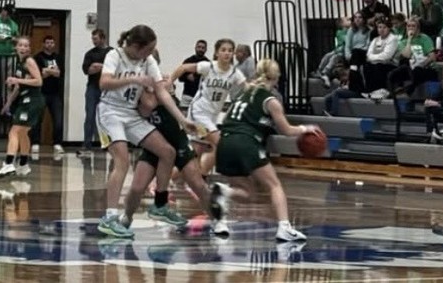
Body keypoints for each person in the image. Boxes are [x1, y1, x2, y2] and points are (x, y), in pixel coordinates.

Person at [95, 25, 190, 238]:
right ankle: (110, 217)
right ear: (137, 46)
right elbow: (104, 83)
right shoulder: (115, 55)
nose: (151, 53)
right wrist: (134, 79)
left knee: (168, 152)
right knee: (122, 161)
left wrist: (182, 119)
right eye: (148, 49)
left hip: (130, 114)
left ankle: (160, 205)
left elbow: (161, 92)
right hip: (110, 112)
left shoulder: (147, 61)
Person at [209, 59, 316, 241]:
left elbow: (227, 119)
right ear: (276, 77)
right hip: (246, 142)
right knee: (274, 185)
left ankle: (222, 201)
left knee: (246, 192)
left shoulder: (242, 95)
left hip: (225, 142)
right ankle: (284, 227)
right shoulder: (270, 100)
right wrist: (306, 128)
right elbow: (287, 130)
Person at [122, 75, 213, 236]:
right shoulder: (144, 97)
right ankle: (126, 217)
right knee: (136, 188)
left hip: (178, 144)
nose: (163, 80)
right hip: (154, 146)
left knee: (198, 184)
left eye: (166, 79)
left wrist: (156, 86)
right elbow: (146, 108)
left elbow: (159, 94)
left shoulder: (167, 98)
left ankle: (215, 219)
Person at [169, 39, 246, 177]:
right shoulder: (208, 66)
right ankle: (202, 175)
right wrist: (169, 81)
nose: (227, 53)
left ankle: (165, 180)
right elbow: (184, 68)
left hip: (212, 117)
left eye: (230, 50)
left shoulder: (235, 73)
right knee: (220, 143)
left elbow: (248, 87)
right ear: (217, 52)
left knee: (194, 154)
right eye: (223, 50)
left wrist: (260, 89)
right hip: (198, 113)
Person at [0, 36, 44, 179]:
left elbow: (39, 81)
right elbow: (19, 87)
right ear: (16, 47)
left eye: (26, 46)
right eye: (20, 45)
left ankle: (8, 163)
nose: (23, 48)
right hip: (25, 100)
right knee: (22, 133)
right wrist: (8, 103)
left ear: (29, 48)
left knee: (14, 131)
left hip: (32, 100)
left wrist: (16, 79)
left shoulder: (29, 61)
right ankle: (24, 164)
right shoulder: (20, 63)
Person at [32, 35, 64, 156]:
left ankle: (57, 143)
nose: (50, 45)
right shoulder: (38, 57)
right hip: (41, 93)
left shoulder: (58, 57)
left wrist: (47, 71)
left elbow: (59, 73)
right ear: (43, 44)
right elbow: (40, 75)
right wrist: (52, 71)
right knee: (37, 119)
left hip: (55, 93)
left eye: (52, 42)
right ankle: (35, 143)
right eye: (47, 42)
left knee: (58, 120)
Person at [81, 29, 111, 154]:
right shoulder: (90, 54)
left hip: (108, 88)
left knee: (108, 116)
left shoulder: (111, 53)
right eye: (93, 39)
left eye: (96, 39)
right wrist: (97, 68)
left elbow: (114, 69)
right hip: (93, 87)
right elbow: (87, 70)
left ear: (103, 38)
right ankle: (87, 144)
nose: (94, 41)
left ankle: (109, 144)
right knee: (90, 116)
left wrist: (100, 67)